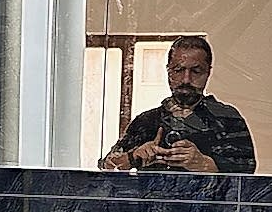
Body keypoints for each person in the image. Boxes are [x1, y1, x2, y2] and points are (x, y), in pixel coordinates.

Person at [100, 35, 256, 174]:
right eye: (179, 70)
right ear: (168, 71)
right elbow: (107, 166)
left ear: (208, 73)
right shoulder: (147, 121)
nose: (186, 79)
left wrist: (205, 164)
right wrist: (133, 157)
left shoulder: (227, 118)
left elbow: (247, 169)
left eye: (196, 71)